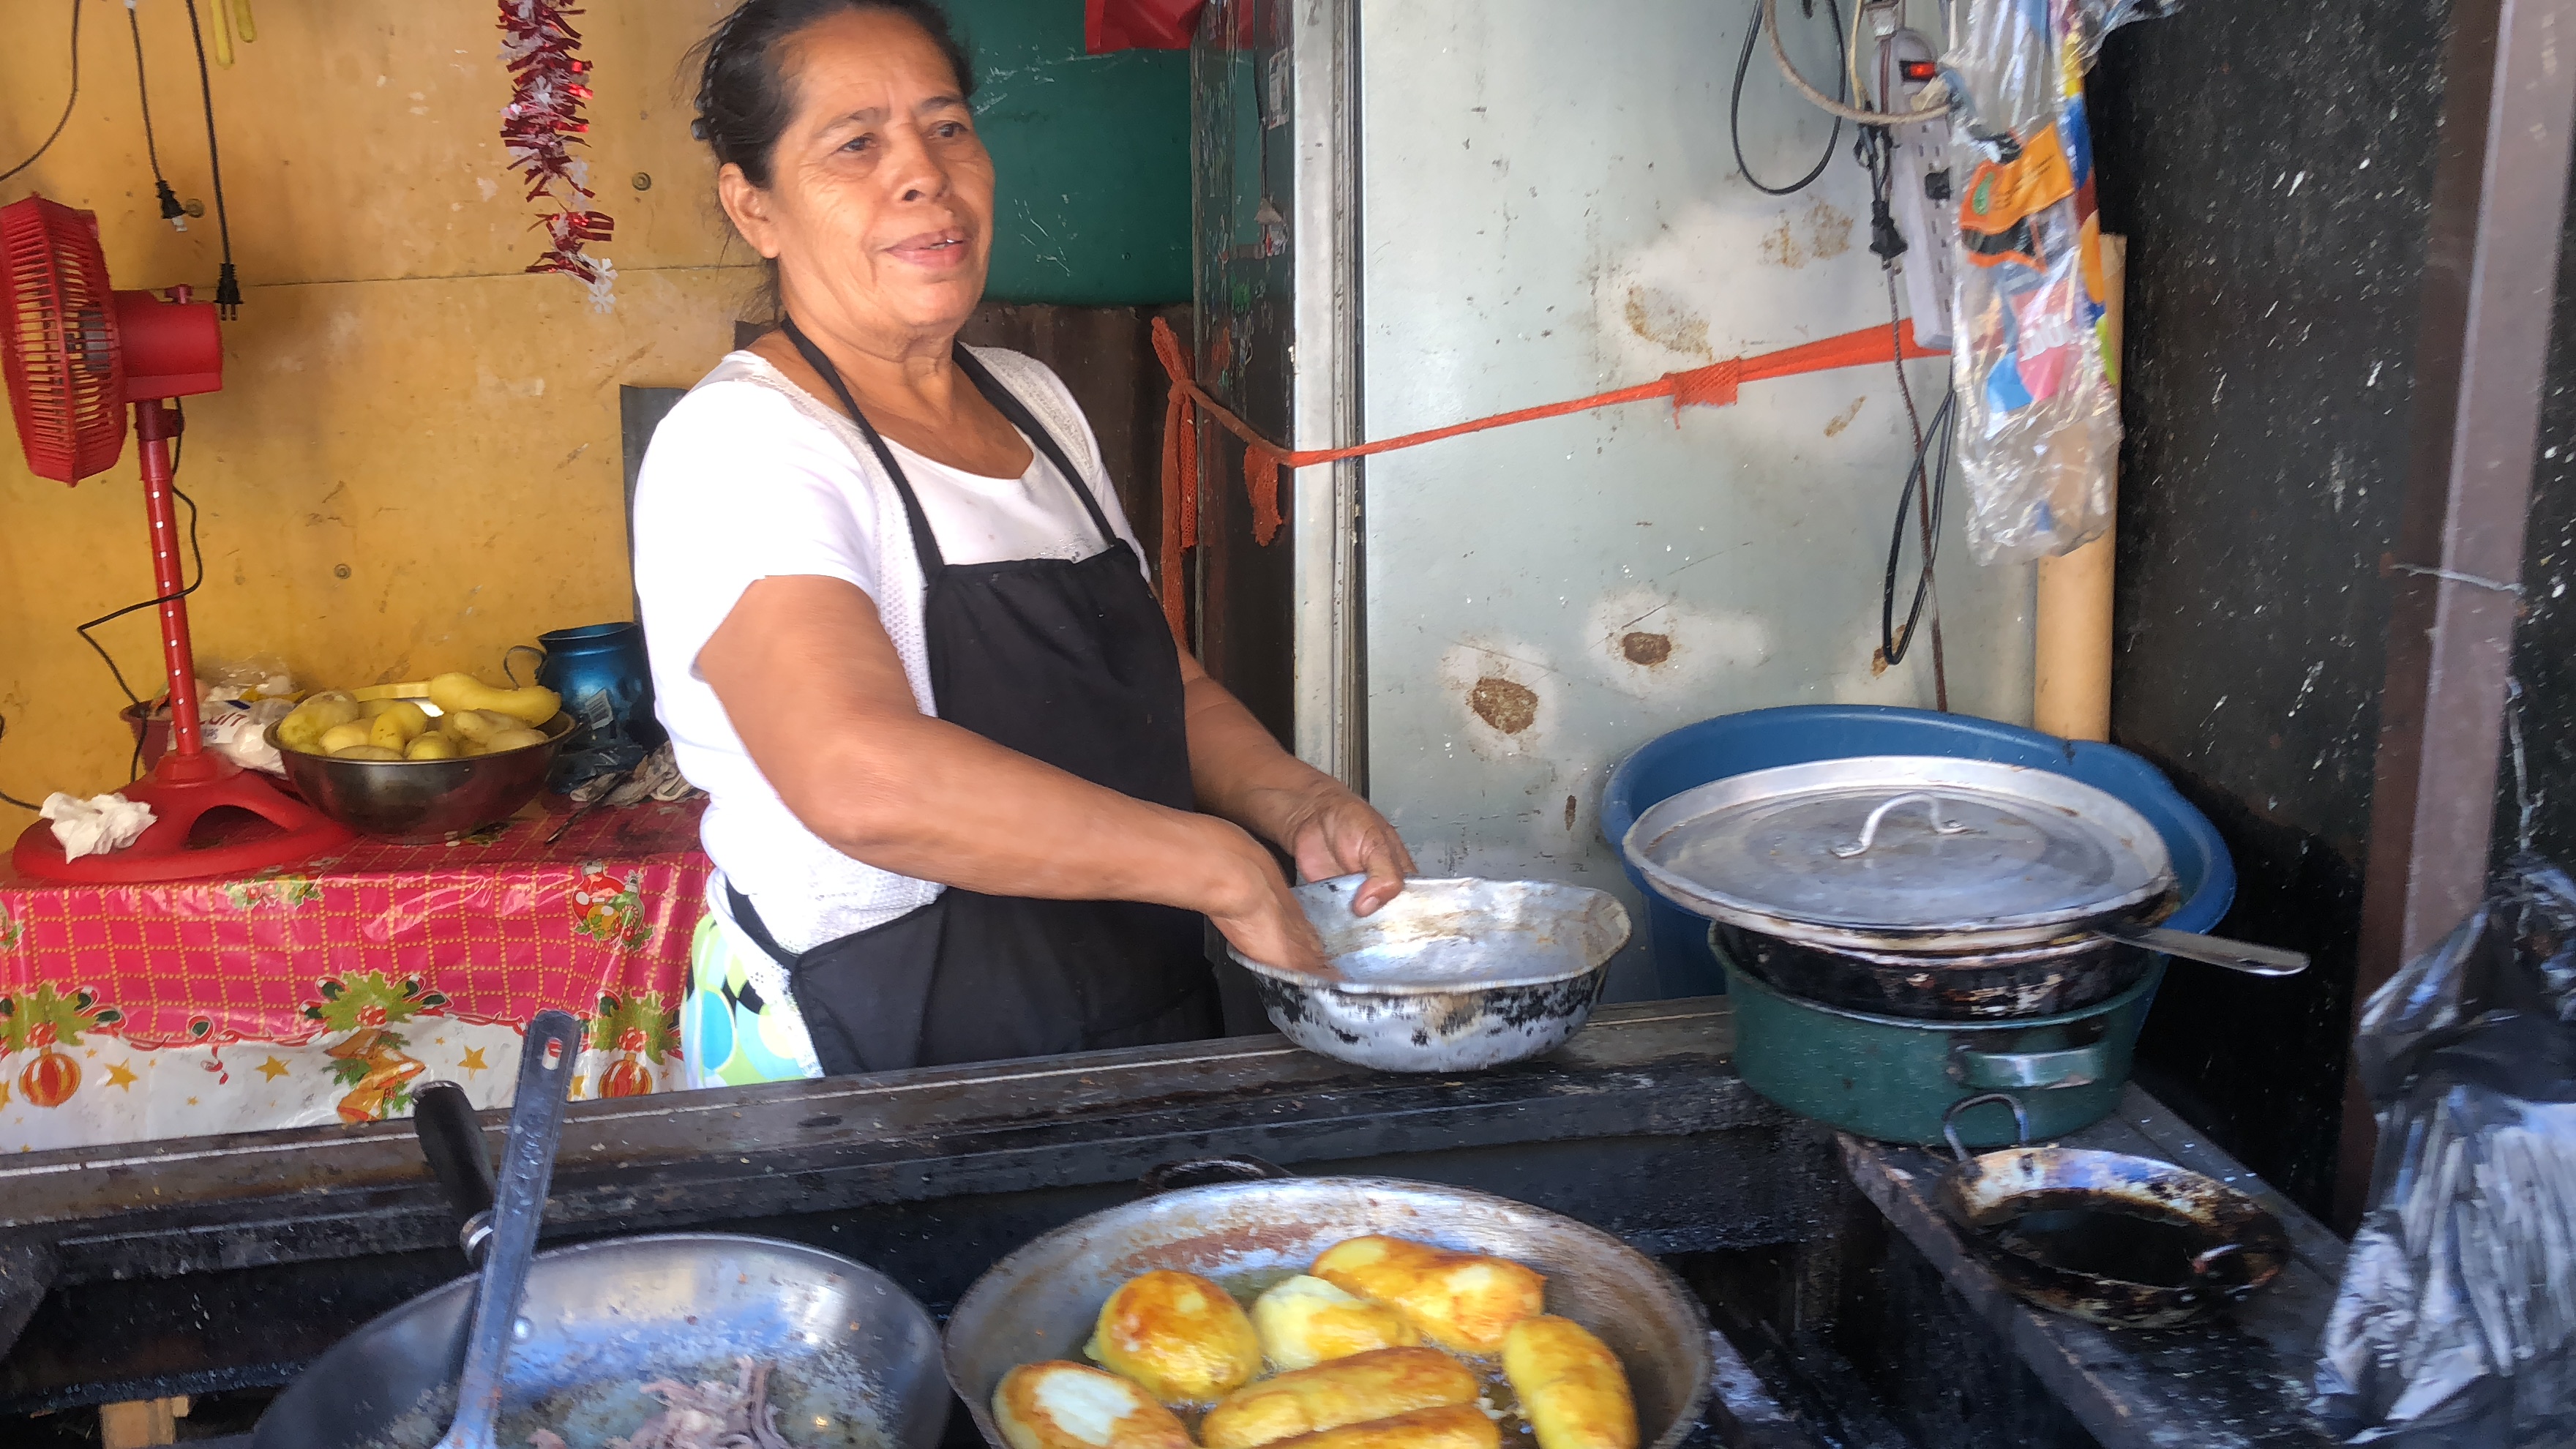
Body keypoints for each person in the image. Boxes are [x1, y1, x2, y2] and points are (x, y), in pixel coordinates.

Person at [632, 0, 1411, 1086]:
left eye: (946, 128)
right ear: (753, 204)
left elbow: (1154, 689)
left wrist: (1295, 802)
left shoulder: (1033, 400)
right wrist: (1218, 867)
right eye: (855, 145)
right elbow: (860, 776)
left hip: (1124, 993)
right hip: (880, 1036)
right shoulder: (747, 443)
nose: (923, 176)